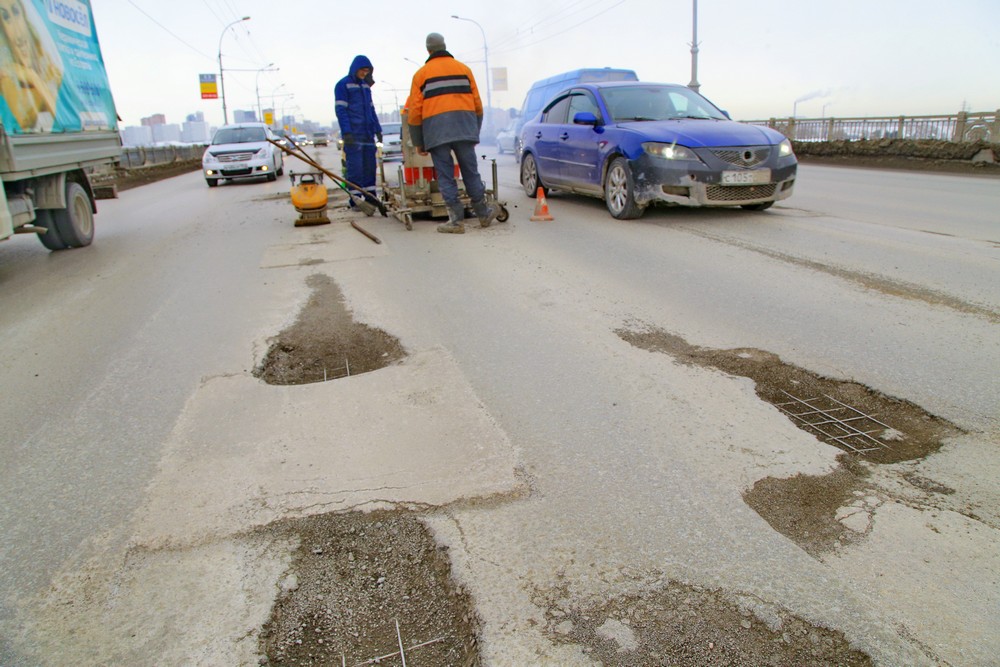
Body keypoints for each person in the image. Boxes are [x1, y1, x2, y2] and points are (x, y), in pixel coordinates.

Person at [407, 32, 497, 234]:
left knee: (445, 176)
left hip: (436, 132)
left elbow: (415, 111)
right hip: (464, 128)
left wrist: (418, 141)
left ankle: (456, 222)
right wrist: (474, 132)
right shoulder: (464, 69)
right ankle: (483, 215)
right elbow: (477, 105)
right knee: (470, 172)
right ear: (444, 46)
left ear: (428, 50)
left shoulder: (420, 75)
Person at [0, 0, 62, 131]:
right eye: (6, 18)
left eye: (16, 12)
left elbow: (64, 122)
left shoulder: (50, 67)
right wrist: (34, 79)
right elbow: (62, 121)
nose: (18, 33)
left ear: (24, 14)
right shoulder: (7, 82)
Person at [334, 55, 382, 209]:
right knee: (355, 167)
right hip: (354, 134)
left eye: (367, 71)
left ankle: (370, 197)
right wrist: (347, 132)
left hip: (367, 133)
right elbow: (341, 110)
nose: (364, 74)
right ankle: (355, 199)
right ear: (356, 69)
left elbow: (371, 109)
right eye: (362, 70)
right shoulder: (343, 85)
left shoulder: (366, 86)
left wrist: (377, 129)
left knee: (369, 166)